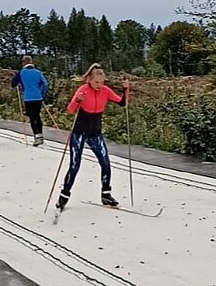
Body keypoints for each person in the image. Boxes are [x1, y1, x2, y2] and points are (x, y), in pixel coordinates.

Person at [56, 63, 129, 211]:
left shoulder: (105, 90)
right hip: (79, 133)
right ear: (89, 79)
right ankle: (64, 196)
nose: (99, 85)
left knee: (105, 162)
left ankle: (106, 194)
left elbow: (122, 103)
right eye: (96, 82)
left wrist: (126, 89)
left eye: (102, 82)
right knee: (75, 165)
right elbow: (70, 110)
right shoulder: (82, 90)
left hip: (95, 133)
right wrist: (77, 100)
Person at [11, 55, 48, 146]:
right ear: (31, 62)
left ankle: (37, 136)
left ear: (23, 63)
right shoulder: (38, 72)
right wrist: (42, 94)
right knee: (37, 116)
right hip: (38, 97)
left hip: (28, 98)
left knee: (32, 117)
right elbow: (45, 84)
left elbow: (13, 84)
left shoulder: (21, 73)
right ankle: (40, 135)